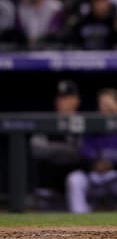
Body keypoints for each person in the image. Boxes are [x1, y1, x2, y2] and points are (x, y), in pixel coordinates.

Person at [66, 88, 117, 213]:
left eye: (108, 105)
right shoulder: (93, 125)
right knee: (75, 178)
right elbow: (82, 157)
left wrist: (113, 165)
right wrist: (95, 165)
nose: (105, 109)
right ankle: (79, 220)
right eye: (102, 105)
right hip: (95, 178)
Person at [30, 80, 82, 209]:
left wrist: (54, 150)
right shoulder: (46, 122)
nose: (60, 101)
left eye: (65, 98)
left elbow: (82, 153)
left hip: (79, 189)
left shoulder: (85, 122)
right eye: (59, 98)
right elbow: (37, 150)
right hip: (49, 189)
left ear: (76, 100)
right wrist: (68, 150)